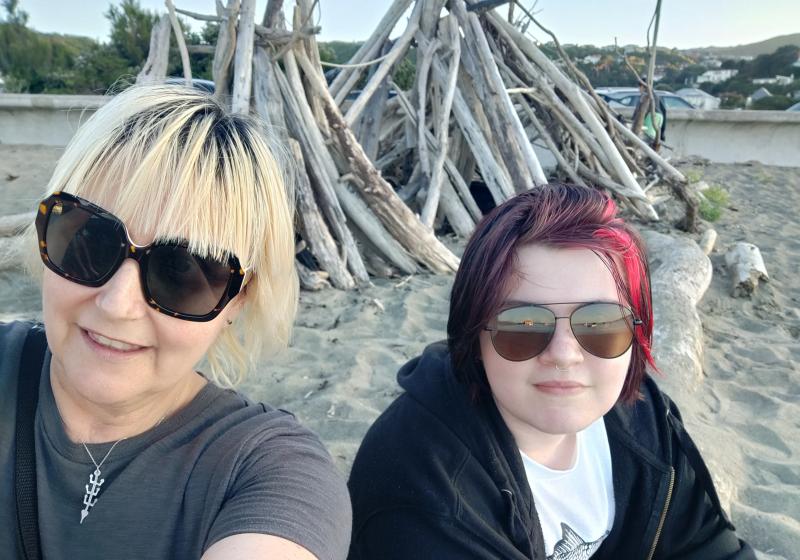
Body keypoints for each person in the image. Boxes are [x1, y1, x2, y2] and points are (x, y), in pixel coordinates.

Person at [1, 85, 351, 559]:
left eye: (181, 271)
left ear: (237, 303)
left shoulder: (269, 471)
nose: (117, 305)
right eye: (89, 241)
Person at [347, 183, 754, 559]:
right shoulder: (423, 486)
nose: (564, 353)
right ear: (473, 338)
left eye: (600, 323)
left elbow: (707, 546)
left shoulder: (646, 417)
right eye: (523, 324)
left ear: (637, 330)